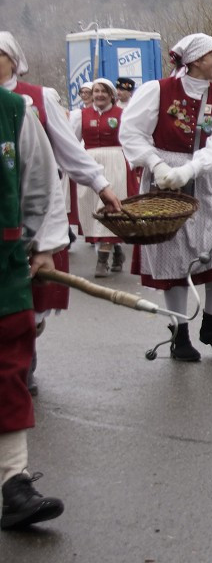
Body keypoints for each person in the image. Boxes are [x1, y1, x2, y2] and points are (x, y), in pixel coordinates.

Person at [1, 31, 122, 396]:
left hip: (33, 205)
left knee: (33, 294)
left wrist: (101, 184)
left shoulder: (34, 100)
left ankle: (25, 361)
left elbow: (68, 150)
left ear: (12, 59)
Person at [119, 33, 212, 362]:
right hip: (164, 179)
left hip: (207, 180)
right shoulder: (156, 92)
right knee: (172, 258)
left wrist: (189, 171)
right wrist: (157, 164)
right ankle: (179, 334)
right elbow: (130, 132)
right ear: (197, 60)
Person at [0, 86, 65, 531]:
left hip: (4, 263)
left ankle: (14, 483)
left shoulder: (14, 111)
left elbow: (39, 181)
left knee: (8, 370)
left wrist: (39, 244)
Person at [69, 78, 132, 277]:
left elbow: (131, 141)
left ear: (112, 94)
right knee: (91, 210)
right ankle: (117, 250)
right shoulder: (80, 115)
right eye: (96, 91)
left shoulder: (123, 115)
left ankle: (102, 259)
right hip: (91, 162)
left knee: (111, 209)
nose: (99, 95)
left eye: (104, 91)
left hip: (115, 162)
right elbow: (71, 141)